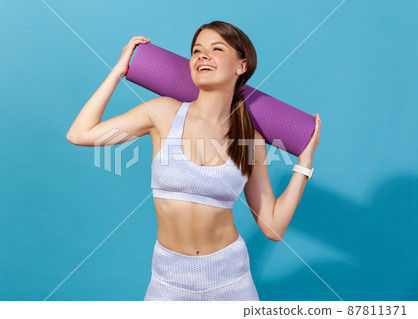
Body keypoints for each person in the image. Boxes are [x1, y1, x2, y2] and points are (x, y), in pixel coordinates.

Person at [66, 20, 321, 301]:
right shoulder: (162, 113)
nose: (202, 55)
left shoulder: (251, 139)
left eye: (216, 49)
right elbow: (80, 134)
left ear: (241, 66)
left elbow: (272, 227)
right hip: (168, 281)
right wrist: (119, 70)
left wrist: (304, 163)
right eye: (197, 50)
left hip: (231, 281)